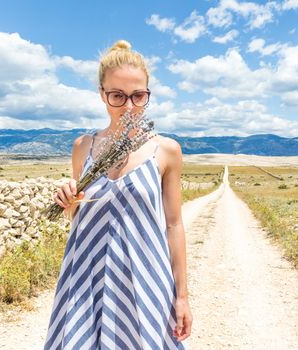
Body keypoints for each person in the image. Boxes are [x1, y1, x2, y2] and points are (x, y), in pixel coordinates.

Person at [44, 40, 192, 349]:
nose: (128, 106)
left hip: (144, 279)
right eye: (117, 96)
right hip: (86, 276)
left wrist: (182, 297)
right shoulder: (83, 146)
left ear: (148, 94)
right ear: (101, 94)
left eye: (138, 96)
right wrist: (69, 199)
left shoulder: (166, 150)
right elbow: (78, 215)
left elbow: (174, 225)